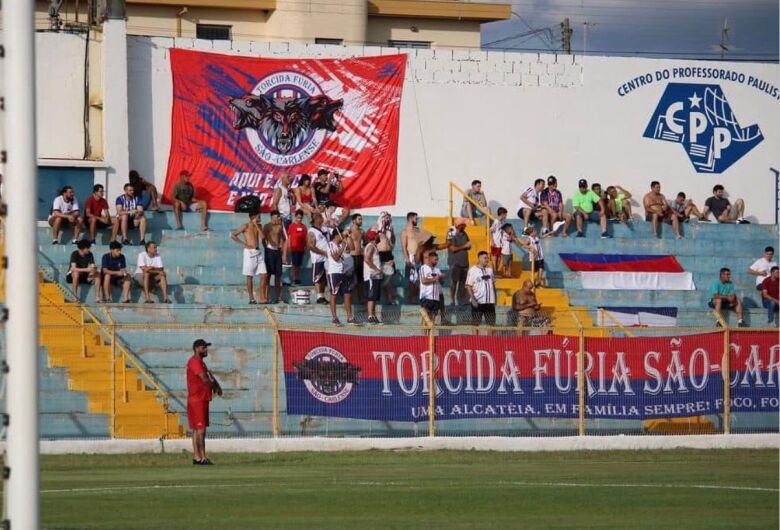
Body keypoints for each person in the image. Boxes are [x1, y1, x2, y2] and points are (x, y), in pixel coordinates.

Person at [187, 339, 222, 465]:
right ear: (197, 349)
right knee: (200, 430)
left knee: (197, 430)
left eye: (206, 347)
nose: (206, 350)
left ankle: (197, 457)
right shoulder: (195, 361)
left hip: (200, 399)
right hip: (197, 400)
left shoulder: (201, 363)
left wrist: (217, 386)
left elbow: (209, 376)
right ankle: (202, 458)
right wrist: (214, 387)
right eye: (204, 347)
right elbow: (205, 378)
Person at [231, 211, 267, 304]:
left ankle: (262, 297)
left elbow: (263, 237)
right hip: (249, 253)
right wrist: (244, 244)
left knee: (264, 275)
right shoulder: (245, 226)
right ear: (254, 217)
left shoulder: (260, 226)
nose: (260, 218)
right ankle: (251, 298)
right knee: (249, 275)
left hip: (258, 252)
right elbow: (233, 235)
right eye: (259, 216)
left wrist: (256, 225)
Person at [327, 229, 357, 326]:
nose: (342, 237)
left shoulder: (341, 245)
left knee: (347, 294)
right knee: (334, 294)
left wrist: (348, 236)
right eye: (341, 235)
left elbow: (352, 248)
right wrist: (342, 247)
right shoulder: (330, 245)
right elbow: (335, 258)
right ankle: (334, 317)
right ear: (336, 235)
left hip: (343, 272)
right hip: (334, 273)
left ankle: (350, 317)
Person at [466, 251, 496, 326]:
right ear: (479, 258)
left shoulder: (490, 270)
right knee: (475, 323)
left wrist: (495, 298)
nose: (487, 260)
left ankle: (490, 338)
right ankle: (474, 338)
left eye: (487, 258)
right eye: (485, 258)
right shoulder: (473, 270)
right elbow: (468, 286)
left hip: (489, 302)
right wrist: (473, 299)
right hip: (478, 301)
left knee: (491, 324)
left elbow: (493, 284)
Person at [263, 210, 287, 304]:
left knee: (278, 275)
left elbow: (283, 239)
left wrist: (283, 252)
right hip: (269, 251)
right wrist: (266, 248)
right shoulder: (267, 226)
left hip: (277, 251)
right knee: (268, 275)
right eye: (277, 217)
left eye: (279, 217)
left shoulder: (280, 226)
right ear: (272, 217)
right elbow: (263, 238)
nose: (279, 218)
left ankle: (278, 297)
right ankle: (266, 297)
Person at [447, 218, 471, 306]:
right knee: (453, 283)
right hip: (455, 263)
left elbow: (469, 246)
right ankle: (452, 301)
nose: (465, 226)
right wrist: (465, 246)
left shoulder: (464, 233)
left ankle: (461, 301)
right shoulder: (450, 233)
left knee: (463, 283)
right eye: (463, 225)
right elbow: (452, 248)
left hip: (464, 263)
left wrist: (466, 246)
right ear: (458, 225)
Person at [419, 250, 448, 325]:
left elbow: (441, 283)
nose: (437, 261)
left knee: (433, 320)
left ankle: (430, 336)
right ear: (430, 259)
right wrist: (435, 279)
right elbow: (423, 280)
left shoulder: (437, 270)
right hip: (426, 297)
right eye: (435, 260)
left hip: (435, 298)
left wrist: (442, 278)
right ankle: (424, 337)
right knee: (425, 319)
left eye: (437, 260)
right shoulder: (423, 268)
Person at [66, 239, 99, 303]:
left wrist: (93, 271)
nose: (89, 250)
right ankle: (74, 296)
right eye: (88, 248)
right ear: (82, 248)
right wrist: (87, 270)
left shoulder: (90, 254)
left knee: (98, 274)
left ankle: (97, 297)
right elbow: (73, 268)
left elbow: (93, 266)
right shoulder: (75, 254)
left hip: (84, 275)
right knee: (76, 273)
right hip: (72, 276)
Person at [307, 213, 330, 305]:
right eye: (320, 217)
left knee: (323, 279)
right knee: (317, 278)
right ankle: (318, 296)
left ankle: (322, 296)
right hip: (318, 259)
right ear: (317, 219)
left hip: (325, 259)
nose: (322, 219)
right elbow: (311, 246)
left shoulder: (321, 229)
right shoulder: (312, 231)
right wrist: (323, 252)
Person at [401, 212, 422, 304]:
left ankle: (417, 298)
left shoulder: (418, 230)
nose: (417, 220)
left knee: (419, 280)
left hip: (419, 257)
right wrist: (407, 259)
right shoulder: (405, 232)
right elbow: (403, 246)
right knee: (412, 280)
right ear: (410, 218)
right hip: (411, 257)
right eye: (416, 218)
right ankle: (411, 299)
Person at [363, 229, 384, 325]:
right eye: (377, 235)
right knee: (371, 296)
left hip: (375, 276)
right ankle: (370, 316)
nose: (378, 237)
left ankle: (373, 316)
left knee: (374, 296)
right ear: (374, 237)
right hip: (371, 275)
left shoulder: (373, 246)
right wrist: (377, 270)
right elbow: (367, 259)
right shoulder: (371, 246)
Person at [376, 211, 396, 305]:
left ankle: (390, 299)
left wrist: (391, 232)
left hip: (389, 254)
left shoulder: (390, 230)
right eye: (386, 218)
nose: (388, 219)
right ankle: (375, 299)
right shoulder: (376, 228)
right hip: (379, 255)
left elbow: (393, 243)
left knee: (389, 280)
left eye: (389, 218)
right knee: (377, 277)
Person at [287, 210, 308, 286]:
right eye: (298, 218)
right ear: (295, 217)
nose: (299, 219)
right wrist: (289, 246)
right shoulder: (292, 226)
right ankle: (294, 278)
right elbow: (289, 237)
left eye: (301, 218)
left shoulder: (304, 227)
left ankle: (298, 278)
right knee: (294, 264)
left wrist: (305, 247)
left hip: (301, 248)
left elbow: (305, 238)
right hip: (294, 248)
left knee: (299, 264)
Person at [348, 213, 365, 303]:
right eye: (359, 219)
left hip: (360, 256)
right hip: (352, 256)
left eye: (361, 219)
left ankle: (360, 297)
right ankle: (349, 298)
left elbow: (366, 242)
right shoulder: (349, 231)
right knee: (351, 278)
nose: (361, 221)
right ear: (354, 220)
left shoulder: (362, 231)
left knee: (360, 279)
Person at [490, 207, 508, 272]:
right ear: (502, 214)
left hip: (501, 243)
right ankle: (494, 271)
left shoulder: (503, 222)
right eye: (505, 214)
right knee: (494, 257)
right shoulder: (496, 222)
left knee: (499, 257)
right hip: (495, 242)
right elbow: (490, 231)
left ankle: (497, 270)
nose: (506, 216)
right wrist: (492, 241)